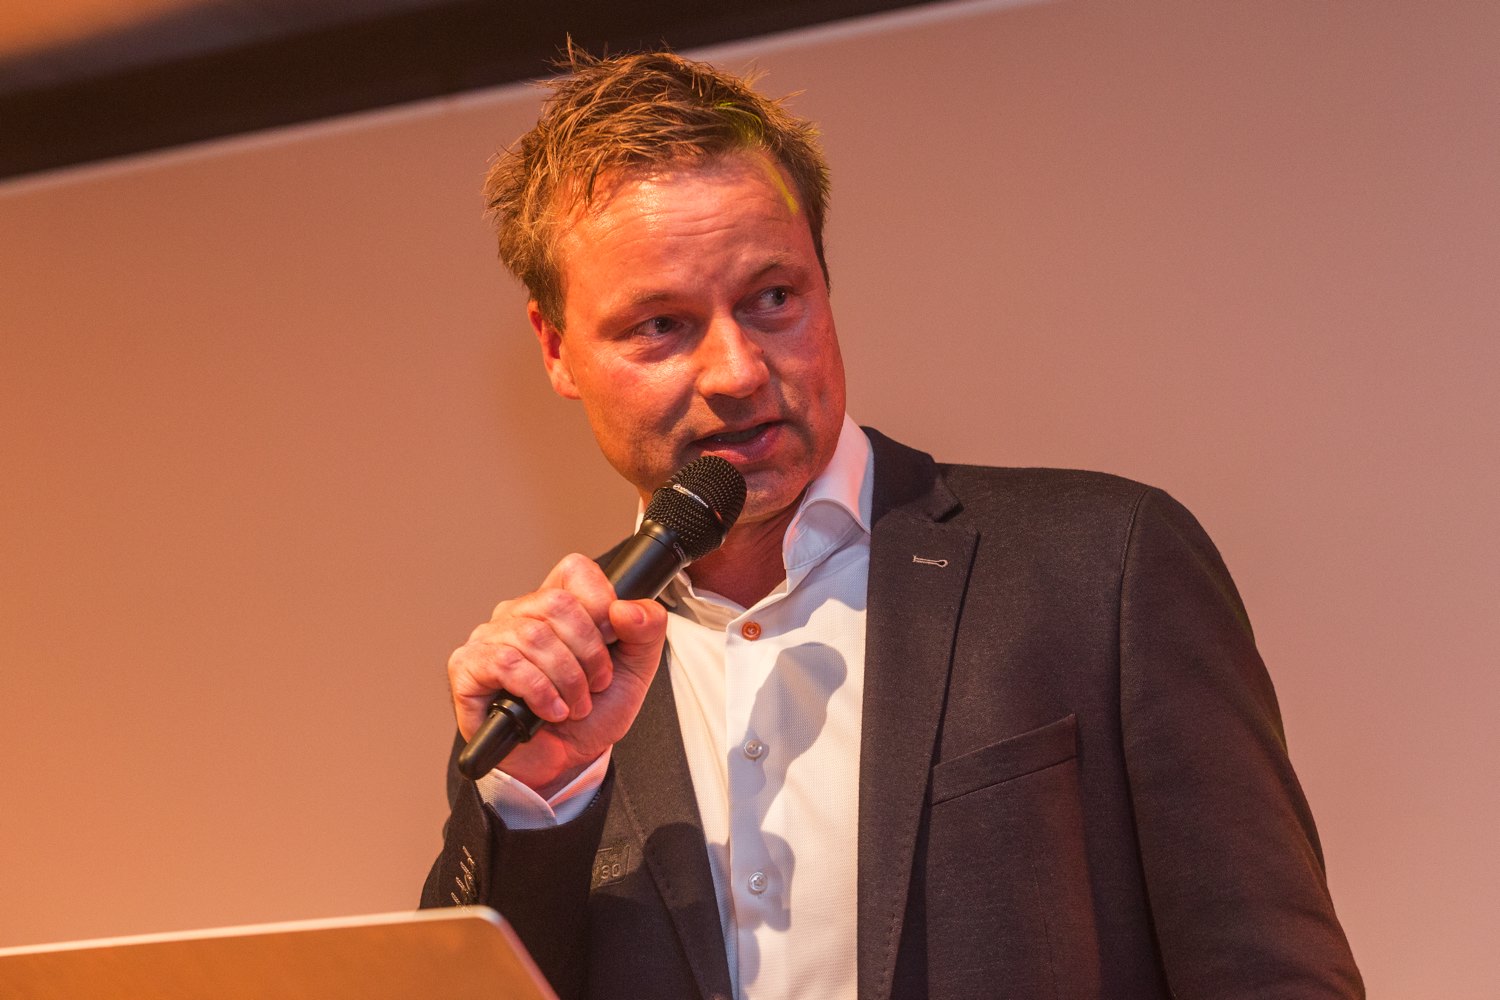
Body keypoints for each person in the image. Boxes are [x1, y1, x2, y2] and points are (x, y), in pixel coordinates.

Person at [422, 49, 1363, 1000]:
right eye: (661, 325)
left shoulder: (1104, 567)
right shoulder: (550, 686)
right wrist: (538, 799)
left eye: (773, 299)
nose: (737, 371)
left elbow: (1273, 977)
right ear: (556, 348)